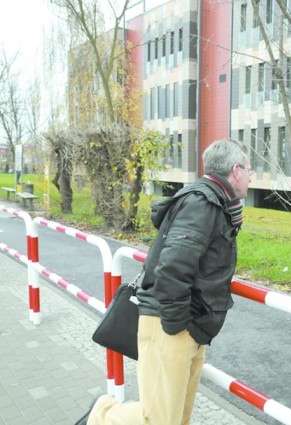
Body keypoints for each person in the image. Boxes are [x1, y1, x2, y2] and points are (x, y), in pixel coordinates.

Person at [76, 139, 252, 424]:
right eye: (249, 168)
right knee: (157, 419)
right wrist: (176, 325)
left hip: (192, 327)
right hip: (170, 325)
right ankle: (103, 414)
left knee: (178, 416)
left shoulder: (215, 202)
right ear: (235, 170)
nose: (251, 175)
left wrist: (193, 328)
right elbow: (172, 268)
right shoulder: (202, 203)